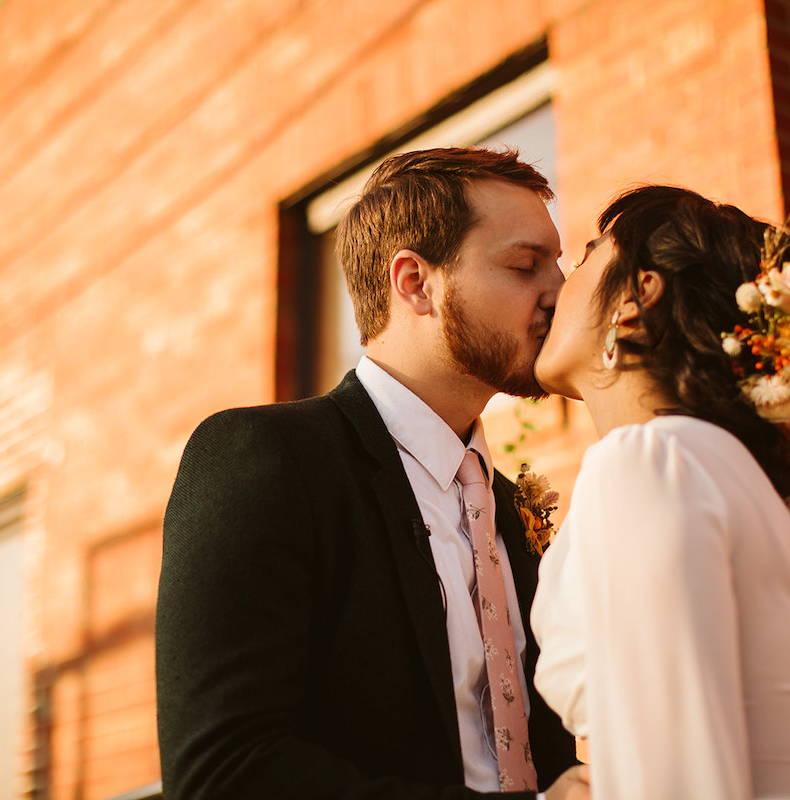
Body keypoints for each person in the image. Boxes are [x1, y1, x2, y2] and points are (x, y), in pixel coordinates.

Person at [156, 147, 586, 800]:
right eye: (526, 265)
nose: (559, 291)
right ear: (415, 283)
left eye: (557, 264)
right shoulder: (267, 460)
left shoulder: (506, 504)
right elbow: (226, 772)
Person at [530, 185, 790, 798]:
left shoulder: (652, 464)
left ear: (636, 299)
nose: (555, 287)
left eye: (583, 257)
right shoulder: (778, 503)